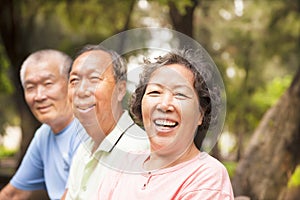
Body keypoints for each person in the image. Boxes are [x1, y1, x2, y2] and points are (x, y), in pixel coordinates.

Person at [96, 49, 234, 199]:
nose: (164, 105)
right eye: (155, 92)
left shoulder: (207, 176)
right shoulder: (123, 164)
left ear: (200, 114)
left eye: (180, 94)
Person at [62, 45, 149, 199]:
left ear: (121, 89)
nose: (81, 91)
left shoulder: (139, 152)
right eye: (74, 80)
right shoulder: (84, 151)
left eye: (94, 79)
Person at [0, 49, 86, 200]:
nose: (39, 96)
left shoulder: (88, 129)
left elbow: (73, 196)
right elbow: (13, 194)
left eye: (48, 84)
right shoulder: (44, 134)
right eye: (30, 87)